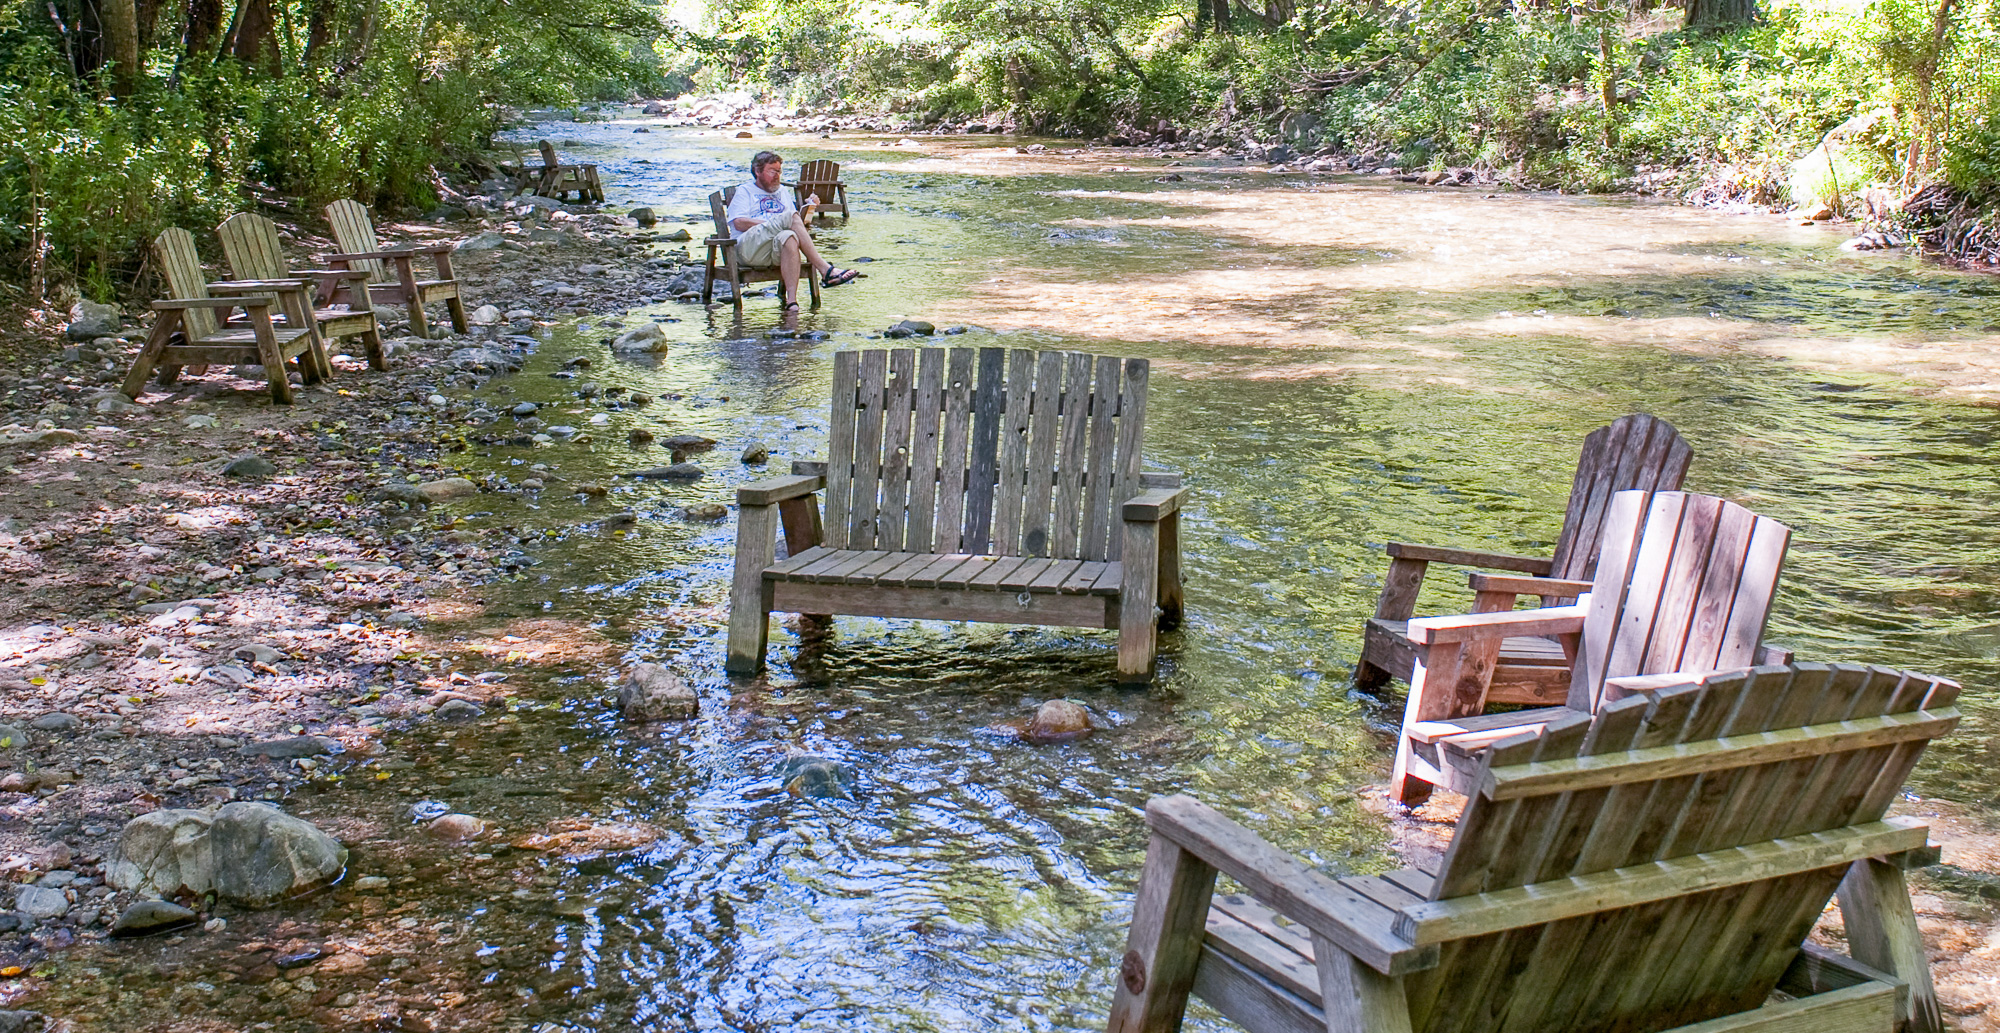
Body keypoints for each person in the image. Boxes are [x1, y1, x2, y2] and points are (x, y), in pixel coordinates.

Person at [724, 151, 858, 310]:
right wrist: (773, 223)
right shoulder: (745, 191)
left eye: (779, 171)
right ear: (758, 171)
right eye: (772, 171)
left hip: (773, 251)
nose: (777, 176)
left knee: (789, 236)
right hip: (748, 249)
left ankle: (792, 302)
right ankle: (825, 269)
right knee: (788, 220)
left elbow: (793, 223)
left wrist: (808, 209)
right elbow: (739, 222)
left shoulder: (782, 192)